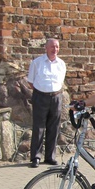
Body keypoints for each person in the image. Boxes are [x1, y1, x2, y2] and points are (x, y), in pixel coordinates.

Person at [27, 38, 66, 168]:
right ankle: (36, 157)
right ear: (46, 48)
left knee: (54, 127)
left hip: (56, 97)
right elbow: (31, 82)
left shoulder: (61, 64)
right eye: (52, 47)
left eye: (57, 47)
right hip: (40, 96)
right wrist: (43, 91)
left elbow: (60, 81)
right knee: (39, 127)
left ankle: (50, 157)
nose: (55, 49)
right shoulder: (37, 63)